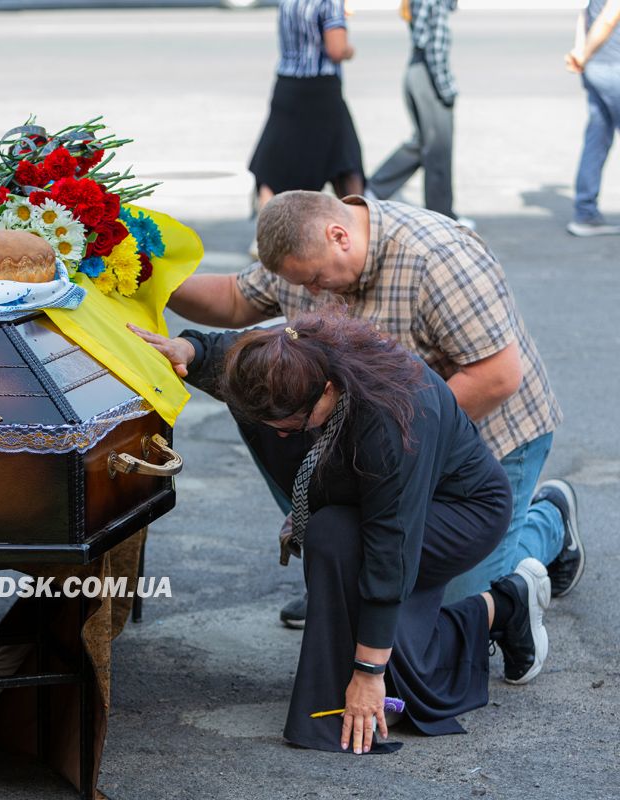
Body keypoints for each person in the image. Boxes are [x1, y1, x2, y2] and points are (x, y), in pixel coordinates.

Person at [131, 312, 552, 755]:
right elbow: (240, 350)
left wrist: (369, 674)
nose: (281, 435)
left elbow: (391, 548)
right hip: (368, 507)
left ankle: (501, 606)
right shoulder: (299, 351)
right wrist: (190, 348)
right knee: (338, 547)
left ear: (328, 389)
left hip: (460, 512)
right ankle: (503, 608)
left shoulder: (393, 417)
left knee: (387, 647)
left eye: (291, 424)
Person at [167, 191, 581, 630]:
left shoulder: (437, 258)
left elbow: (496, 376)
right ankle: (341, 580)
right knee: (390, 576)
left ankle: (550, 520)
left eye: (314, 279)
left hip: (490, 438)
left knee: (448, 608)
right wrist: (151, 278)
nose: (308, 293)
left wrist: (382, 447)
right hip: (376, 442)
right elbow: (234, 299)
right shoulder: (305, 255)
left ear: (339, 237)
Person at [247, 0, 363, 256]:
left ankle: (263, 238)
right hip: (320, 90)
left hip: (286, 85)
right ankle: (360, 233)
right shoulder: (329, 2)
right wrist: (349, 50)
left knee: (274, 165)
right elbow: (336, 48)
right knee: (347, 161)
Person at [364, 0, 468, 225]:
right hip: (428, 73)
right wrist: (446, 87)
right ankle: (443, 218)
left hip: (419, 69)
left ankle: (375, 188)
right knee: (438, 149)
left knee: (423, 143)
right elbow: (433, 43)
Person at [565, 0, 620, 236]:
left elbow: (584, 13)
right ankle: (586, 213)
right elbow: (609, 17)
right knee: (597, 139)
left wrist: (580, 52)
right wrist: (583, 54)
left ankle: (585, 214)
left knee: (596, 140)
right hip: (614, 68)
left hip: (595, 68)